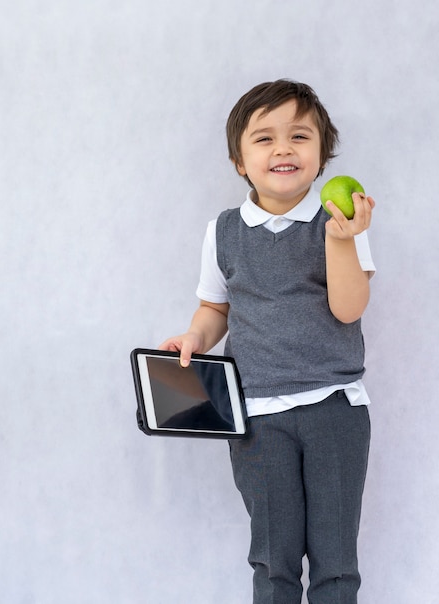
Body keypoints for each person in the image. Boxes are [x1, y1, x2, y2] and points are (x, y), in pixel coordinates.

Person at [159, 79, 376, 604]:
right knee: (273, 559)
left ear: (322, 155)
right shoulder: (224, 230)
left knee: (335, 562)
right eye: (264, 139)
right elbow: (216, 308)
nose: (283, 148)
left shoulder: (341, 221)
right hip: (255, 416)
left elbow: (349, 308)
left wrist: (340, 242)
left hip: (334, 409)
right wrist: (195, 337)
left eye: (300, 136)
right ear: (239, 160)